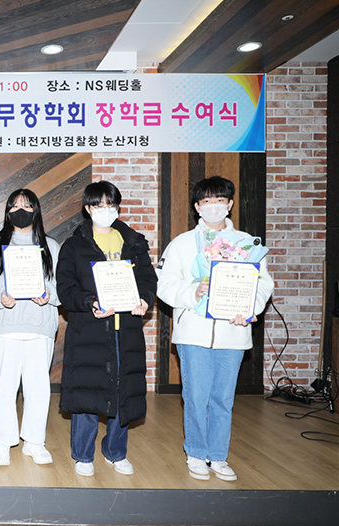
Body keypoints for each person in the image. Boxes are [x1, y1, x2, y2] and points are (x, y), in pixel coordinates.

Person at [156, 176, 273, 482]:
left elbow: (262, 285)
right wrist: (191, 292)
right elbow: (164, 284)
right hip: (193, 332)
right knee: (196, 397)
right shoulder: (181, 244)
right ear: (197, 207)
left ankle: (218, 456)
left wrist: (249, 309)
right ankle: (196, 453)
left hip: (232, 333)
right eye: (206, 201)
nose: (213, 207)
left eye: (220, 200)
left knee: (223, 398)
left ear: (230, 204)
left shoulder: (248, 244)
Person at [56, 181, 157, 477]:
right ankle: (83, 454)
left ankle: (115, 452)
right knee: (87, 393)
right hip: (89, 330)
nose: (105, 210)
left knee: (122, 390)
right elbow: (66, 289)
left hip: (125, 331)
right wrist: (90, 302)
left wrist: (144, 299)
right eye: (98, 205)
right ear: (88, 209)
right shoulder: (74, 246)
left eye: (111, 205)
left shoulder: (134, 242)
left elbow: (148, 279)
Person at [0, 189, 61, 466]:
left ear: (36, 211)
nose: (21, 211)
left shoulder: (51, 246)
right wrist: (0, 297)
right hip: (5, 327)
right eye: (15, 206)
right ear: (7, 212)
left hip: (40, 327)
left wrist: (49, 295)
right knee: (4, 387)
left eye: (27, 206)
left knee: (38, 388)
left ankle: (35, 442)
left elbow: (62, 286)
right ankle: (2, 443)